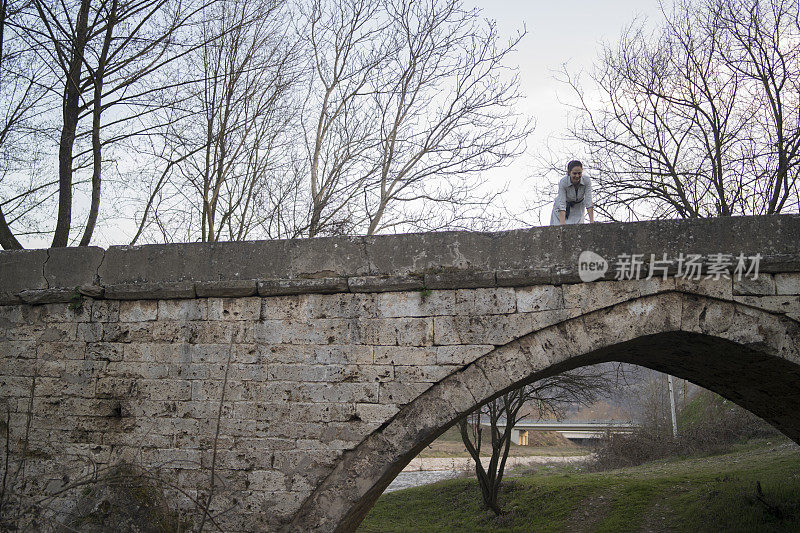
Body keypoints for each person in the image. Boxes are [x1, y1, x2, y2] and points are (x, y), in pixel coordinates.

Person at [550, 159, 594, 225]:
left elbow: (589, 201)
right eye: (574, 173)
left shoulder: (586, 181)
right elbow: (562, 204)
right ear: (569, 173)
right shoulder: (563, 182)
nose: (577, 176)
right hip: (561, 210)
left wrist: (592, 222)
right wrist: (562, 226)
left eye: (579, 173)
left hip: (578, 208)